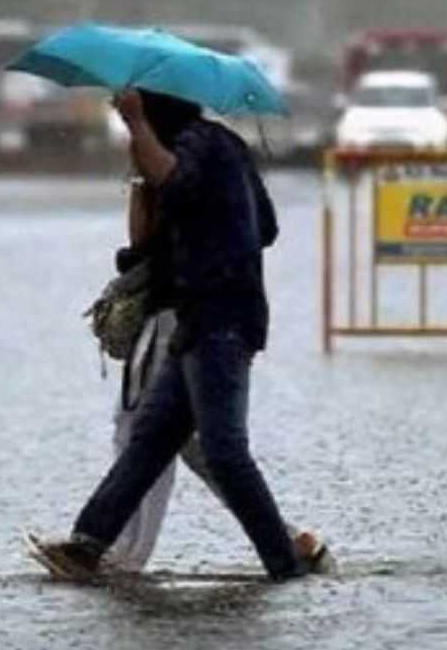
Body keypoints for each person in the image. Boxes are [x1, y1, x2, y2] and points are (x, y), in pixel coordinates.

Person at [29, 88, 312, 582]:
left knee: (223, 452)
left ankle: (286, 560)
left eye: (139, 111)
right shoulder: (222, 146)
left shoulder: (198, 144)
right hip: (198, 319)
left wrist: (137, 127)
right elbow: (263, 226)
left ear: (157, 111)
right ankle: (87, 546)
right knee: (150, 440)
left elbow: (178, 185)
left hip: (220, 319)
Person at [87, 175, 333, 575]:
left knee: (145, 431)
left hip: (178, 316)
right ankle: (288, 540)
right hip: (197, 315)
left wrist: (139, 186)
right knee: (182, 441)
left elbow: (145, 241)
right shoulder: (205, 161)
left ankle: (123, 552)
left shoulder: (176, 161)